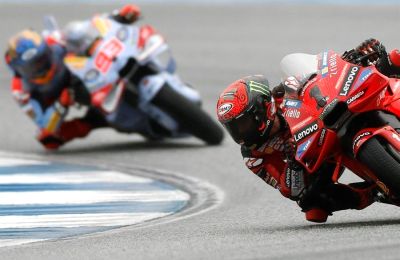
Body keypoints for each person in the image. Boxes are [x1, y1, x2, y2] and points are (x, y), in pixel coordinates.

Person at [216, 39, 400, 223]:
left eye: (242, 124)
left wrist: (349, 60)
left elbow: (316, 76)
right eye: (232, 128)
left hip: (328, 117)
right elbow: (289, 189)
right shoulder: (254, 156)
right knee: (312, 205)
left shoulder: (282, 93)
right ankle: (372, 192)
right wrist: (293, 164)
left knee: (392, 58)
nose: (239, 133)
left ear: (262, 108)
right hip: (314, 161)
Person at [4, 4, 141, 150]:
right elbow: (42, 121)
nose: (41, 67)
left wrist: (117, 17)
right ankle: (95, 121)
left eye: (43, 59)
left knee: (75, 32)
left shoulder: (53, 40)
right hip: (60, 97)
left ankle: (128, 44)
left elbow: (86, 27)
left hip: (78, 73)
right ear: (18, 70)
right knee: (48, 139)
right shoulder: (21, 92)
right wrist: (61, 105)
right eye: (32, 67)